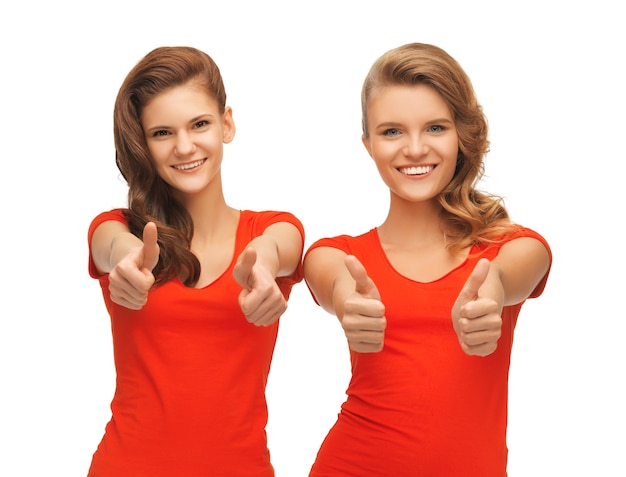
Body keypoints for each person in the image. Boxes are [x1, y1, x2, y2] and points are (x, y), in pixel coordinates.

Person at [303, 42, 552, 476]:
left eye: (435, 128)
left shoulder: (513, 247)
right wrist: (347, 303)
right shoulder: (337, 255)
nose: (415, 149)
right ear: (368, 144)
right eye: (392, 131)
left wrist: (491, 292)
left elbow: (516, 271)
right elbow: (333, 281)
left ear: (462, 134)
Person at [86, 46, 304, 477]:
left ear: (226, 124)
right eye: (162, 133)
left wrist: (263, 266)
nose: (185, 147)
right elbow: (109, 246)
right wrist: (127, 259)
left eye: (199, 124)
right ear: (143, 144)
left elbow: (279, 247)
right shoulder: (119, 229)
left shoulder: (276, 227)